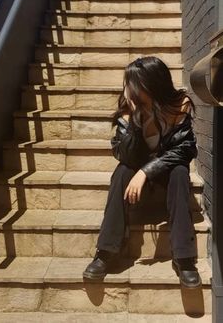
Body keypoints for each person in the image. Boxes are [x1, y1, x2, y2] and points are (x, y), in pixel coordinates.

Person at [83, 56, 201, 288]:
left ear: (151, 84)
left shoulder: (179, 104)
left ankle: (184, 258)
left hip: (167, 181)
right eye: (128, 83)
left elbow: (186, 149)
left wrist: (145, 172)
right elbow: (123, 155)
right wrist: (134, 120)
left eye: (133, 83)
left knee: (178, 170)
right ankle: (106, 251)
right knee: (122, 170)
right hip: (137, 188)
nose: (129, 89)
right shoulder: (129, 108)